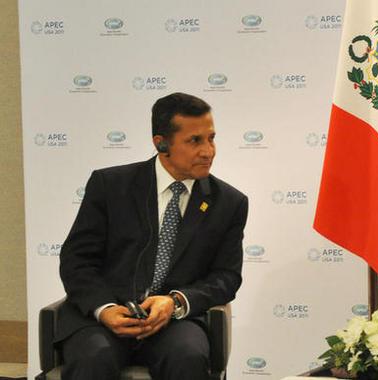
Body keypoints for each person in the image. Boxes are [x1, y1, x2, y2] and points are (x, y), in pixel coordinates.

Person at [57, 92, 249, 380]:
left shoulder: (229, 202)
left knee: (188, 357)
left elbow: (226, 276)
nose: (208, 150)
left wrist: (176, 301)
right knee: (93, 357)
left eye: (211, 138)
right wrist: (105, 308)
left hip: (174, 323)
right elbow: (77, 261)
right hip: (103, 321)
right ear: (161, 143)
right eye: (194, 140)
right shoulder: (110, 186)